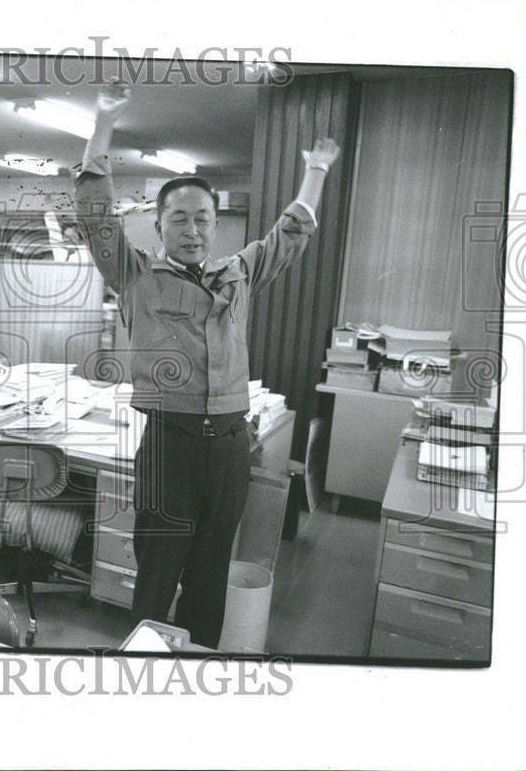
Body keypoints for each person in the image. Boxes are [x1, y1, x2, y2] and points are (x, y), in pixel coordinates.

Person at [73, 81, 340, 649]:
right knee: (157, 572)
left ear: (215, 225)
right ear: (158, 226)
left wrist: (316, 170)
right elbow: (94, 215)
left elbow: (289, 236)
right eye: (179, 219)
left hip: (228, 445)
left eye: (202, 219)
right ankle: (140, 671)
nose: (191, 230)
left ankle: (197, 669)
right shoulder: (136, 276)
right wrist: (103, 126)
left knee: (211, 569)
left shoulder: (238, 274)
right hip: (170, 443)